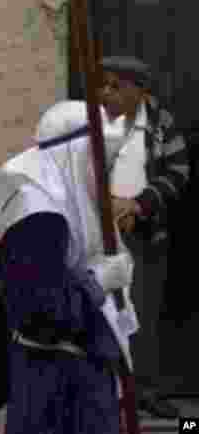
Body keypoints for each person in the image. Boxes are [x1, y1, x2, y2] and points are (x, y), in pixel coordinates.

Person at [0, 99, 138, 434]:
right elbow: (44, 314)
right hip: (57, 393)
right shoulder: (39, 216)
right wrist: (98, 281)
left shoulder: (64, 196)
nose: (106, 174)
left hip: (77, 382)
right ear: (76, 154)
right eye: (103, 161)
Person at [99, 54, 190, 419]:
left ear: (138, 91)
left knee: (144, 315)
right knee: (102, 312)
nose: (106, 92)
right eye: (104, 84)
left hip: (145, 234)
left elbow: (178, 171)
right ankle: (108, 393)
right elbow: (76, 167)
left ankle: (146, 391)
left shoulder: (160, 123)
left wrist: (138, 205)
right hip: (101, 235)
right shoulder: (93, 120)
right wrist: (108, 205)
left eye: (116, 86)